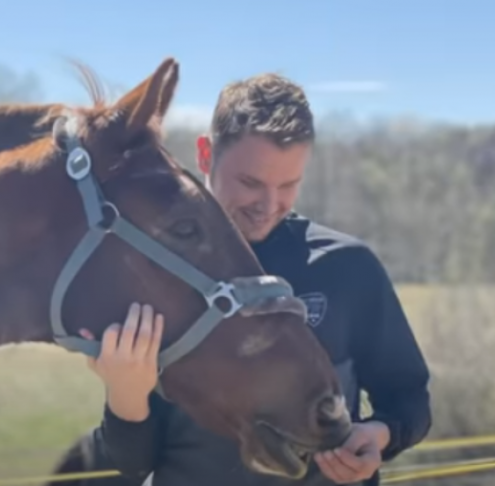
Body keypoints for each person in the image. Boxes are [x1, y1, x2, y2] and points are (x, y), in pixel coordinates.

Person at [80, 73, 432, 486]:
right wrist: (125, 394)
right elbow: (129, 467)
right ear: (206, 154)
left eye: (288, 185)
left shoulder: (349, 266)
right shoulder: (153, 269)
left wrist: (379, 435)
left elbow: (409, 401)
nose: (268, 205)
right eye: (250, 183)